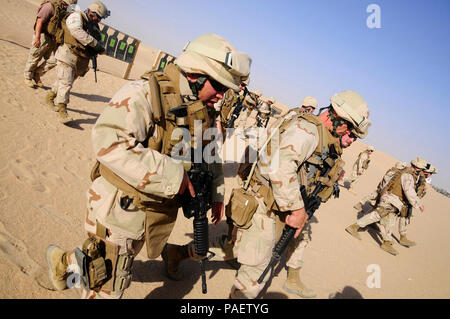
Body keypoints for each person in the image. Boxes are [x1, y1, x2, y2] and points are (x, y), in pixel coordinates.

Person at [46, 33, 251, 299]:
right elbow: (109, 141)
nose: (221, 96)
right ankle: (67, 264)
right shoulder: (145, 92)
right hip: (121, 208)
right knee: (107, 281)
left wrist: (216, 192)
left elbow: (209, 153)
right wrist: (174, 175)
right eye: (220, 87)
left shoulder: (202, 107)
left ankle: (64, 263)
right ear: (196, 74)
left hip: (153, 211)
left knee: (121, 256)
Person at [226, 90, 371, 299]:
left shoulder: (321, 136)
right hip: (265, 205)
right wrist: (297, 209)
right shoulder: (308, 131)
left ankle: (181, 253)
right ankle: (185, 253)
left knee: (248, 257)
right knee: (253, 276)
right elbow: (281, 167)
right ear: (340, 120)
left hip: (278, 206)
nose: (351, 140)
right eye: (351, 133)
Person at [345, 157, 427, 256]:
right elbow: (409, 191)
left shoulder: (405, 172)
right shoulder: (408, 175)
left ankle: (386, 242)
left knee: (390, 221)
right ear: (418, 168)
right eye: (421, 169)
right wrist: (419, 204)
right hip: (391, 199)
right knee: (377, 215)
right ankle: (354, 226)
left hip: (394, 201)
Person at [44, 1, 109, 124]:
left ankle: (49, 97)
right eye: (98, 17)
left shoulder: (93, 26)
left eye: (100, 18)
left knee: (64, 81)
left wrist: (99, 48)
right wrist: (94, 44)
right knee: (66, 83)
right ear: (91, 12)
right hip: (66, 55)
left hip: (79, 60)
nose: (99, 20)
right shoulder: (76, 17)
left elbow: (98, 40)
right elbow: (76, 32)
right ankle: (63, 111)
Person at [24, 0, 78, 88]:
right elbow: (39, 21)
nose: (67, 7)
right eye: (66, 5)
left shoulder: (63, 11)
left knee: (55, 59)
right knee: (34, 57)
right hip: (43, 36)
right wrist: (37, 38)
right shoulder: (49, 6)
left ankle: (37, 73)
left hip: (53, 39)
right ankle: (27, 77)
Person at [397, 162, 437, 247]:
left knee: (403, 217)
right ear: (427, 172)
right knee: (387, 213)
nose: (430, 176)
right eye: (430, 173)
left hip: (408, 200)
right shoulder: (419, 176)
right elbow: (413, 190)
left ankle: (403, 237)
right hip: (405, 199)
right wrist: (418, 203)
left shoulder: (421, 177)